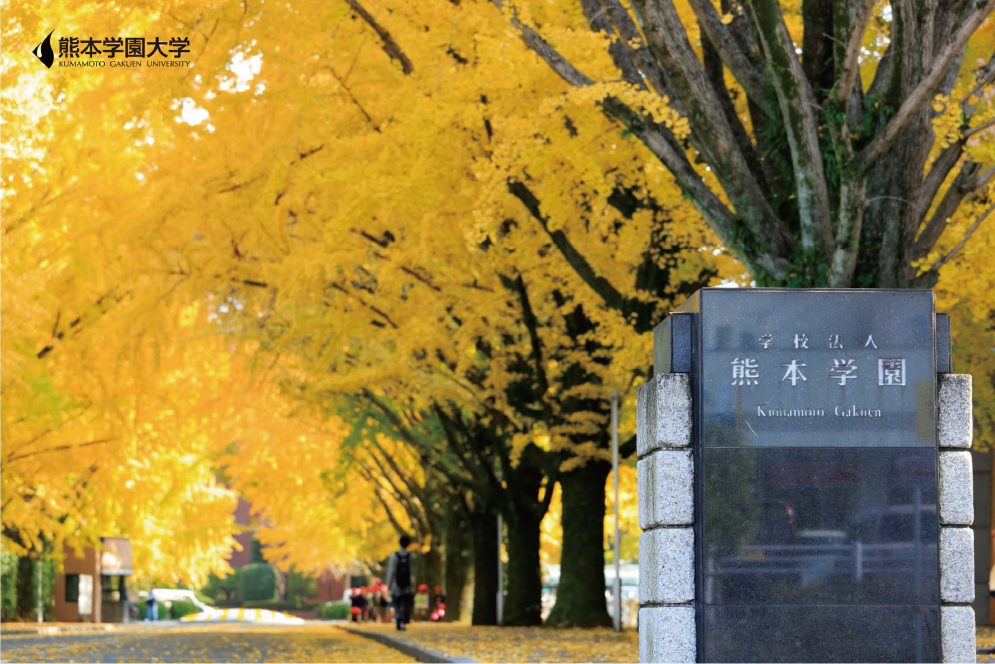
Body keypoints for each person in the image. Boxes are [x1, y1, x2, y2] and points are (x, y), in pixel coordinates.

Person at [385, 535, 415, 630]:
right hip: (407, 584)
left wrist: (388, 585)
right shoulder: (411, 557)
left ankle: (398, 617)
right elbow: (411, 571)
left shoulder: (394, 556)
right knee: (405, 602)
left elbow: (391, 571)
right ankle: (404, 619)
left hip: (395, 584)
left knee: (397, 602)